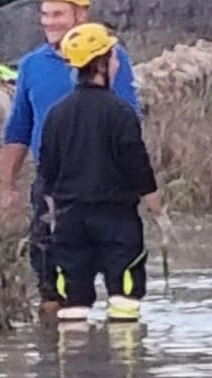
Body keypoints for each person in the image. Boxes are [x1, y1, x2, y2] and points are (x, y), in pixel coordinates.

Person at [0, 0, 141, 317]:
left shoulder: (111, 59)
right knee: (51, 278)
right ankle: (57, 356)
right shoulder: (32, 65)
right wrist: (7, 187)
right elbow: (18, 128)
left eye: (58, 13)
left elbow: (129, 123)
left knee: (120, 284)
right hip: (52, 186)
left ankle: (109, 360)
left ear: (81, 14)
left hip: (107, 186)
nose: (49, 22)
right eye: (45, 14)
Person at [38, 23, 172, 323]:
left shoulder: (56, 114)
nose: (117, 63)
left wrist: (55, 215)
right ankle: (123, 366)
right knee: (124, 306)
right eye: (113, 58)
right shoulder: (121, 112)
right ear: (101, 63)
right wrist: (157, 210)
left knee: (73, 309)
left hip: (71, 220)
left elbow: (46, 172)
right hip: (117, 221)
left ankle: (75, 365)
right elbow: (138, 166)